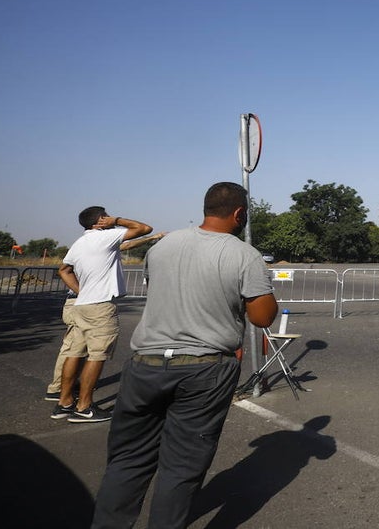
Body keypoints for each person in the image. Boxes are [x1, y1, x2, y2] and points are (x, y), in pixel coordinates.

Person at [90, 182, 277, 529]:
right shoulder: (244, 255)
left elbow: (161, 291)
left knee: (127, 461)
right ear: (239, 213)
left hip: (145, 363)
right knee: (181, 468)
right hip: (204, 368)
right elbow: (262, 317)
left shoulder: (163, 246)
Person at [54, 208, 153, 423]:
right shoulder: (105, 236)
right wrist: (116, 220)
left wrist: (82, 292)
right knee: (97, 354)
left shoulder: (80, 242)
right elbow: (144, 228)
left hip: (81, 305)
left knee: (75, 353)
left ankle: (64, 402)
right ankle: (84, 407)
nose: (111, 218)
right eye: (106, 215)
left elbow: (64, 270)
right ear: (100, 220)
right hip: (100, 306)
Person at [45, 233, 165, 405]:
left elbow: (126, 245)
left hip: (81, 301)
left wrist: (151, 238)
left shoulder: (86, 246)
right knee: (78, 350)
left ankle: (65, 389)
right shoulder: (94, 246)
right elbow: (133, 237)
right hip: (85, 301)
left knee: (77, 349)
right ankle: (59, 390)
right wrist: (84, 294)